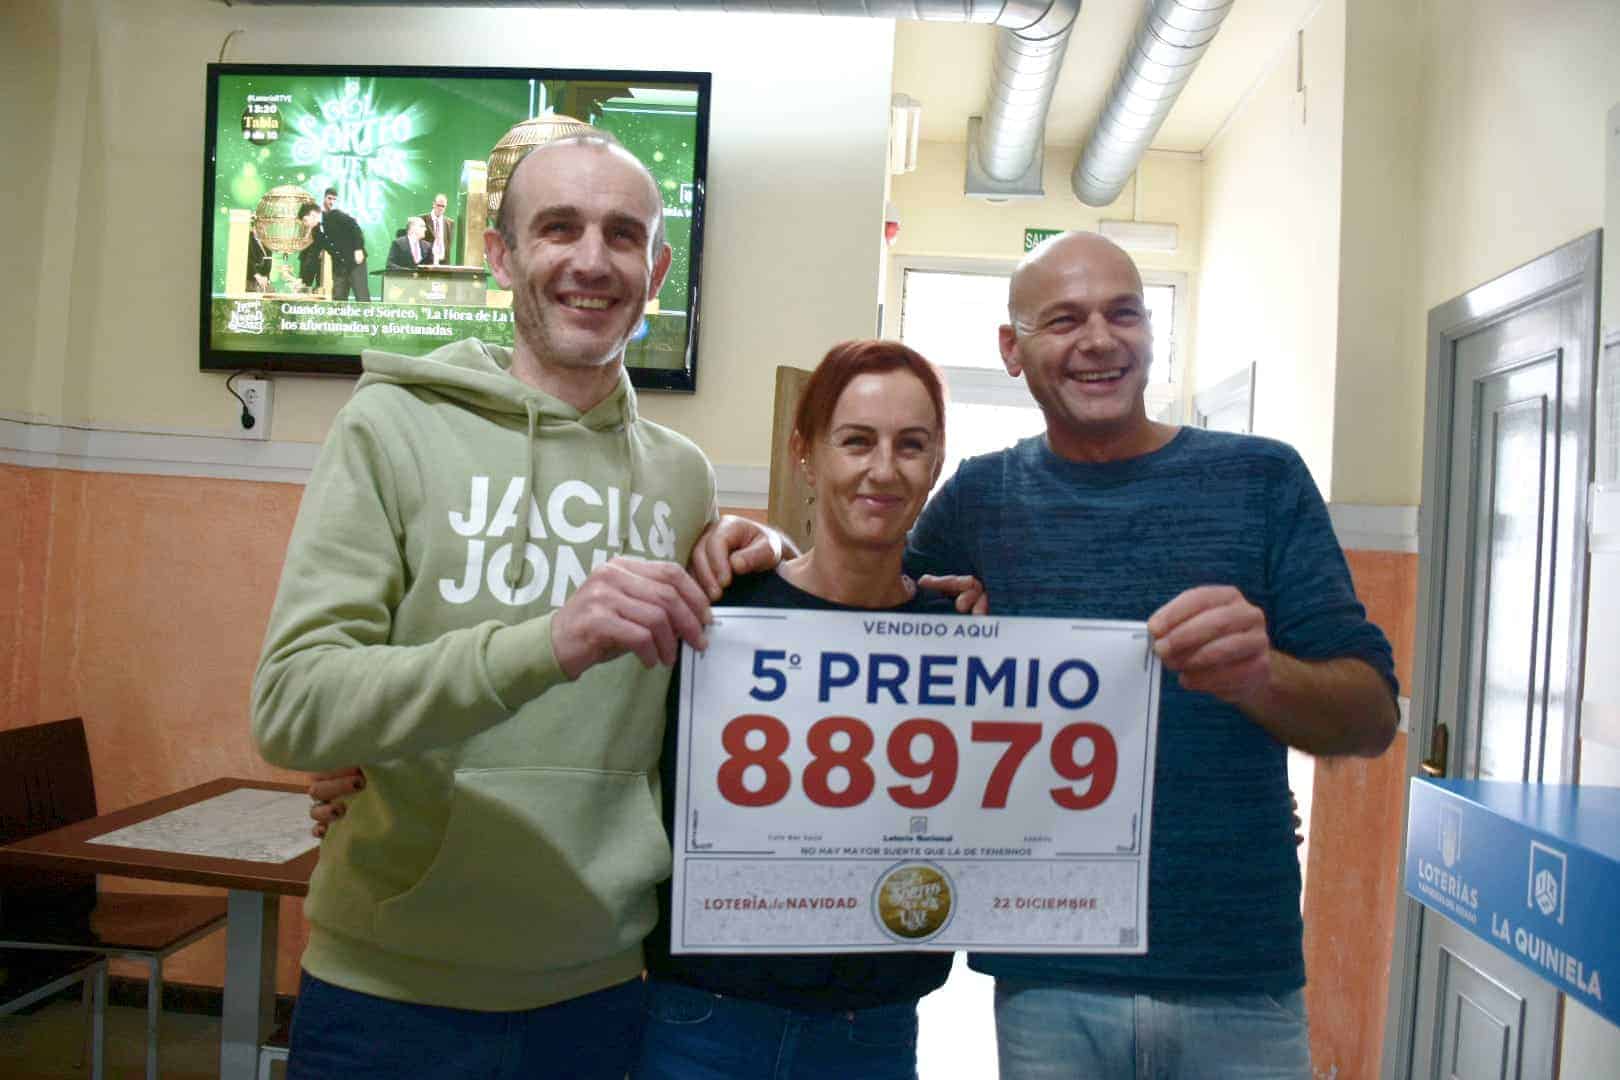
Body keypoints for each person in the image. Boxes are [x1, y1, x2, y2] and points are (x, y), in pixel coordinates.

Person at [251, 133, 772, 1079]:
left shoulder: (681, 479)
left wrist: (773, 566)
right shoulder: (390, 425)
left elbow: (697, 712)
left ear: (655, 269)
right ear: (500, 254)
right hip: (385, 994)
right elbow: (293, 706)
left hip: (600, 990)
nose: (589, 259)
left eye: (622, 235)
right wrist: (549, 641)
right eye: (558, 228)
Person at [902, 231, 1400, 1079]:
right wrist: (752, 549)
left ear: (1150, 334)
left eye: (1122, 313)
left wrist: (1262, 677)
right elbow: (851, 629)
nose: (1099, 339)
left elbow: (1372, 717)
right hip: (1049, 979)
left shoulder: (1264, 480)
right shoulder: (979, 500)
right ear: (1011, 350)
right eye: (1063, 319)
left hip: (1239, 977)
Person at [634, 340, 958, 1079]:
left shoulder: (964, 640)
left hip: (872, 1031)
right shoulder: (719, 607)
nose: (883, 469)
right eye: (856, 441)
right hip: (704, 1020)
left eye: (911, 445)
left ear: (936, 463)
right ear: (805, 454)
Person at [317, 187, 370, 301]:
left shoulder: (338, 214)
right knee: (338, 297)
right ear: (323, 198)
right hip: (339, 264)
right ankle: (338, 318)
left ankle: (367, 319)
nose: (331, 202)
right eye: (329, 198)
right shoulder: (320, 221)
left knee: (362, 296)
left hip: (354, 261)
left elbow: (355, 228)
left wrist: (358, 249)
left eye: (334, 199)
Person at [295, 202, 323, 292]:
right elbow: (304, 256)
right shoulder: (308, 230)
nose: (304, 224)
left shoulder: (326, 228)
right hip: (307, 276)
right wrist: (301, 278)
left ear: (313, 215)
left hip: (323, 278)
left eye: (305, 220)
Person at [420, 192, 455, 265]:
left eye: (443, 206)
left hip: (444, 262)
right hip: (427, 262)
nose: (440, 208)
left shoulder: (450, 223)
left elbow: (448, 244)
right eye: (439, 205)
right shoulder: (422, 219)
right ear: (433, 204)